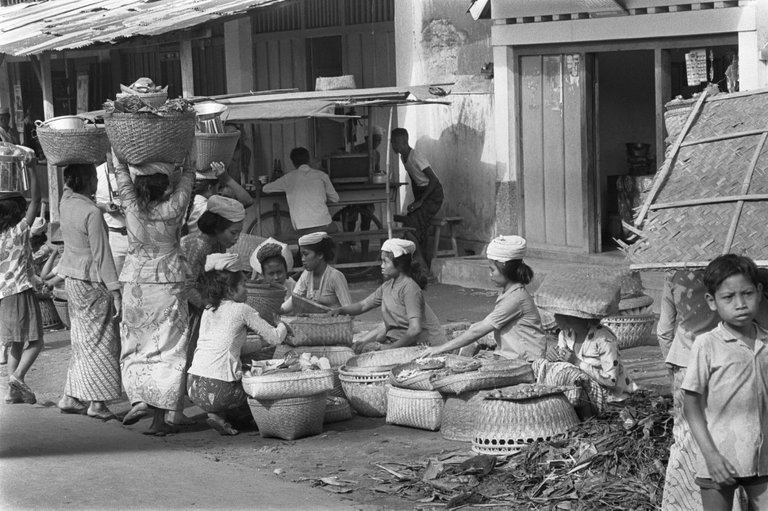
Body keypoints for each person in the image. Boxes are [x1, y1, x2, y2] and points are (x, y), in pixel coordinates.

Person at [114, 157, 195, 436]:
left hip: (136, 286)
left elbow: (119, 170)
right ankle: (159, 421)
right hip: (169, 285)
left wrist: (117, 148)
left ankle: (138, 399)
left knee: (136, 345)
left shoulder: (131, 206)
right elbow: (190, 174)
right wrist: (188, 153)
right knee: (168, 351)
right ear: (166, 188)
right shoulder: (174, 208)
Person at [683, 254, 768, 511]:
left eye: (747, 293)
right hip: (719, 459)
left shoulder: (767, 342)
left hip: (763, 459)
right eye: (728, 297)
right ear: (711, 301)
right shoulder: (707, 344)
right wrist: (710, 455)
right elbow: (691, 404)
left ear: (760, 292)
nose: (740, 304)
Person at [187, 253, 287, 435]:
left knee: (231, 371)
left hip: (194, 386)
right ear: (230, 290)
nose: (247, 289)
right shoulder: (242, 309)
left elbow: (231, 347)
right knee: (258, 382)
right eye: (243, 285)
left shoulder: (209, 310)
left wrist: (260, 344)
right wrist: (283, 324)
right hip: (218, 390)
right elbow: (276, 338)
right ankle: (243, 415)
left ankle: (217, 416)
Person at [56, 163, 122, 420]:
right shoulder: (91, 212)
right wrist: (115, 290)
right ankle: (97, 403)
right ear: (87, 181)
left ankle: (70, 397)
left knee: (82, 339)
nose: (97, 182)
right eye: (94, 177)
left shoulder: (66, 203)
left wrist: (103, 207)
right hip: (93, 281)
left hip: (72, 278)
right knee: (102, 340)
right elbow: (102, 255)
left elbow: (70, 193)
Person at [421, 235, 546, 361]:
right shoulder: (510, 293)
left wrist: (440, 348)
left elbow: (478, 331)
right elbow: (478, 328)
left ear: (505, 270)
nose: (490, 274)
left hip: (526, 360)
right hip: (512, 356)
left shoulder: (515, 298)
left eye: (492, 270)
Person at [659, 270, 720, 511]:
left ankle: (677, 504)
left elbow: (664, 331)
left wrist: (670, 363)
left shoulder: (675, 278)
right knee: (718, 433)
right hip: (719, 362)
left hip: (684, 363)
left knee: (684, 436)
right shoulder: (725, 274)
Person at [331, 238, 446, 354]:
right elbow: (363, 305)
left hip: (425, 347)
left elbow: (415, 329)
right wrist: (341, 310)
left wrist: (391, 348)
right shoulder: (387, 286)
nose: (381, 266)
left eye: (385, 262)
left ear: (399, 265)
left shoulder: (410, 288)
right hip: (403, 343)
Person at [0, 164, 42, 404]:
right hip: (20, 291)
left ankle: (11, 392)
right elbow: (36, 201)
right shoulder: (19, 232)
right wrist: (32, 169)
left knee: (15, 343)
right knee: (36, 341)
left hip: (4, 296)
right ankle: (17, 377)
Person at [390, 128, 444, 267]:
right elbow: (415, 180)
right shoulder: (403, 157)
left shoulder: (416, 156)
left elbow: (434, 180)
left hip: (433, 194)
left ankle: (422, 263)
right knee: (410, 219)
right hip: (422, 193)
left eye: (393, 143)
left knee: (412, 224)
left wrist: (421, 201)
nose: (392, 146)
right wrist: (416, 201)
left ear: (401, 142)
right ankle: (419, 259)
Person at [261, 147, 340, 236]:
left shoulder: (288, 178)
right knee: (336, 230)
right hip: (324, 226)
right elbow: (335, 199)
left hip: (302, 229)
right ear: (308, 159)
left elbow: (265, 189)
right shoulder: (322, 175)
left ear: (293, 162)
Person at [282, 232, 351, 313]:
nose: (302, 259)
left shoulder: (335, 276)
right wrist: (279, 310)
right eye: (302, 255)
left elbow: (348, 308)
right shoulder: (306, 275)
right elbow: (295, 299)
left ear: (320, 255)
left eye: (306, 254)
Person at [185, 161, 253, 237]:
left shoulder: (186, 203)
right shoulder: (212, 207)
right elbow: (248, 201)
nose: (219, 192)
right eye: (218, 188)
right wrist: (226, 178)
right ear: (210, 188)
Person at [94, 157, 129, 275]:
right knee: (115, 282)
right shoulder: (97, 173)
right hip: (112, 236)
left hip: (135, 235)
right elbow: (86, 203)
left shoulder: (133, 171)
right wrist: (104, 207)